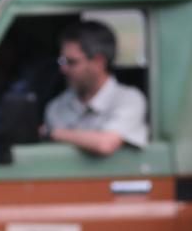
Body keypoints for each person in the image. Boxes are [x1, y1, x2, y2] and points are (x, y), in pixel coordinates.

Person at [42, 20, 149, 156]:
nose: (63, 69)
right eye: (62, 61)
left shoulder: (129, 99)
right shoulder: (56, 107)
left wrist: (52, 133)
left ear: (99, 62)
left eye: (71, 62)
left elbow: (105, 144)